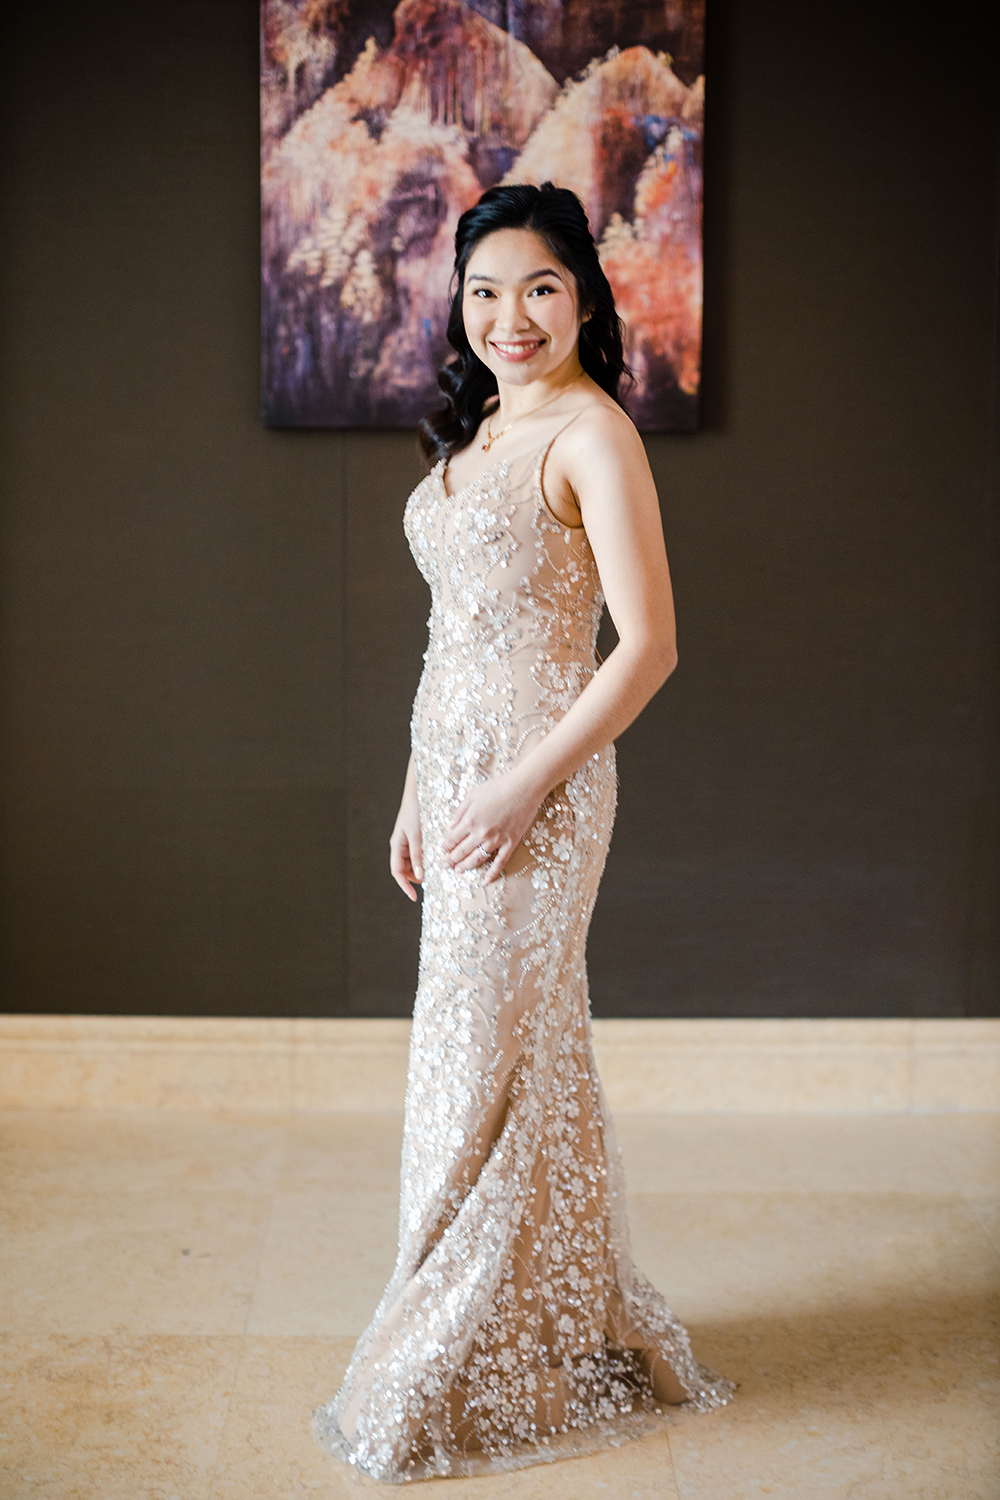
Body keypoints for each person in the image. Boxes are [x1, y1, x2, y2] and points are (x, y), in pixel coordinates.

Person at [313, 182, 731, 1482]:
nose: (511, 317)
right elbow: (456, 639)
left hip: (539, 792)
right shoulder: (486, 424)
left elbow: (647, 646)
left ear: (586, 298)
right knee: (514, 1054)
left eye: (541, 287)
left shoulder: (594, 435)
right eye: (485, 292)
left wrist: (521, 788)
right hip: (457, 780)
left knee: (478, 1067)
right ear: (460, 306)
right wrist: (416, 787)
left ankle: (437, 1358)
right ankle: (554, 1329)